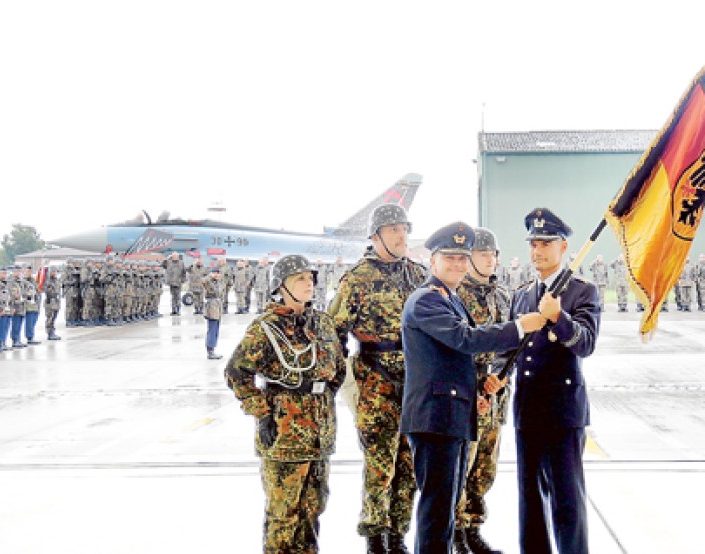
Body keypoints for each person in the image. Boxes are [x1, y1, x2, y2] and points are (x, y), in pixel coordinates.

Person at [401, 223, 545, 554]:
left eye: (463, 258)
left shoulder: (448, 298)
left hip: (450, 414)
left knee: (445, 506)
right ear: (433, 260)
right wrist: (520, 326)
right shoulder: (426, 300)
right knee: (436, 511)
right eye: (450, 258)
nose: (458, 265)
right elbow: (464, 340)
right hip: (434, 419)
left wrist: (477, 389)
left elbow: (448, 359)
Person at [225, 254, 346, 553]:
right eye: (300, 279)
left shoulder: (322, 323)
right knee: (283, 514)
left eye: (310, 279)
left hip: (320, 434)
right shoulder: (266, 328)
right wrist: (262, 413)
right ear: (281, 286)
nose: (309, 285)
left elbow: (338, 370)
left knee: (314, 508)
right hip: (284, 433)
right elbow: (237, 372)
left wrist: (320, 399)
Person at [328, 203, 425, 554]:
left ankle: (398, 532)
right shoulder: (358, 278)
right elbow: (333, 332)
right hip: (376, 381)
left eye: (404, 229)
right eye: (394, 229)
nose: (402, 235)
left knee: (409, 460)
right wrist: (342, 383)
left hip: (416, 381)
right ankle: (375, 534)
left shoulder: (417, 274)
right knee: (380, 462)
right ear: (376, 235)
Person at [509, 208, 600, 554]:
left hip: (563, 413)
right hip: (528, 410)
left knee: (567, 504)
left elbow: (586, 345)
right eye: (533, 243)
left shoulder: (580, 292)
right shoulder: (521, 294)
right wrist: (495, 378)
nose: (538, 251)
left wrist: (559, 317)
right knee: (529, 503)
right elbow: (511, 348)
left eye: (546, 243)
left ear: (563, 247)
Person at [453, 228, 513, 554]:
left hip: (495, 395)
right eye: (484, 254)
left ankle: (474, 528)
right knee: (461, 466)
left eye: (494, 254)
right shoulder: (455, 294)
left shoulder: (503, 295)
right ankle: (457, 532)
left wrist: (501, 376)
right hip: (466, 396)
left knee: (484, 469)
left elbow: (512, 343)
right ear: (470, 258)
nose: (491, 260)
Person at [204, 267, 225, 360]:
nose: (218, 275)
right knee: (212, 329)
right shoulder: (209, 281)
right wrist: (210, 276)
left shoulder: (219, 282)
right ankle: (210, 351)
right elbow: (204, 281)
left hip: (218, 307)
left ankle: (213, 349)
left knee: (216, 329)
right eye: (216, 273)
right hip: (212, 307)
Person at [44, 268, 62, 340]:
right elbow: (46, 290)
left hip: (56, 302)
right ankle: (49, 332)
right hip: (50, 301)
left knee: (54, 317)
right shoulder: (48, 280)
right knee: (50, 317)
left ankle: (52, 331)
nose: (54, 273)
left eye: (55, 271)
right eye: (53, 272)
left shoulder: (56, 280)